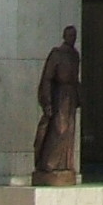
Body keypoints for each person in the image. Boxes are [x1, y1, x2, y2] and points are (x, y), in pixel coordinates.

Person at [33, 25, 85, 185]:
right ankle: (49, 164)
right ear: (64, 36)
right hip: (59, 95)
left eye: (74, 35)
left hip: (70, 96)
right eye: (70, 35)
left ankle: (64, 165)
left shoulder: (75, 55)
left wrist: (78, 95)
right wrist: (47, 101)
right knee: (58, 128)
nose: (72, 38)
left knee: (68, 131)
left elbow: (75, 78)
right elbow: (47, 77)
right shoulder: (57, 54)